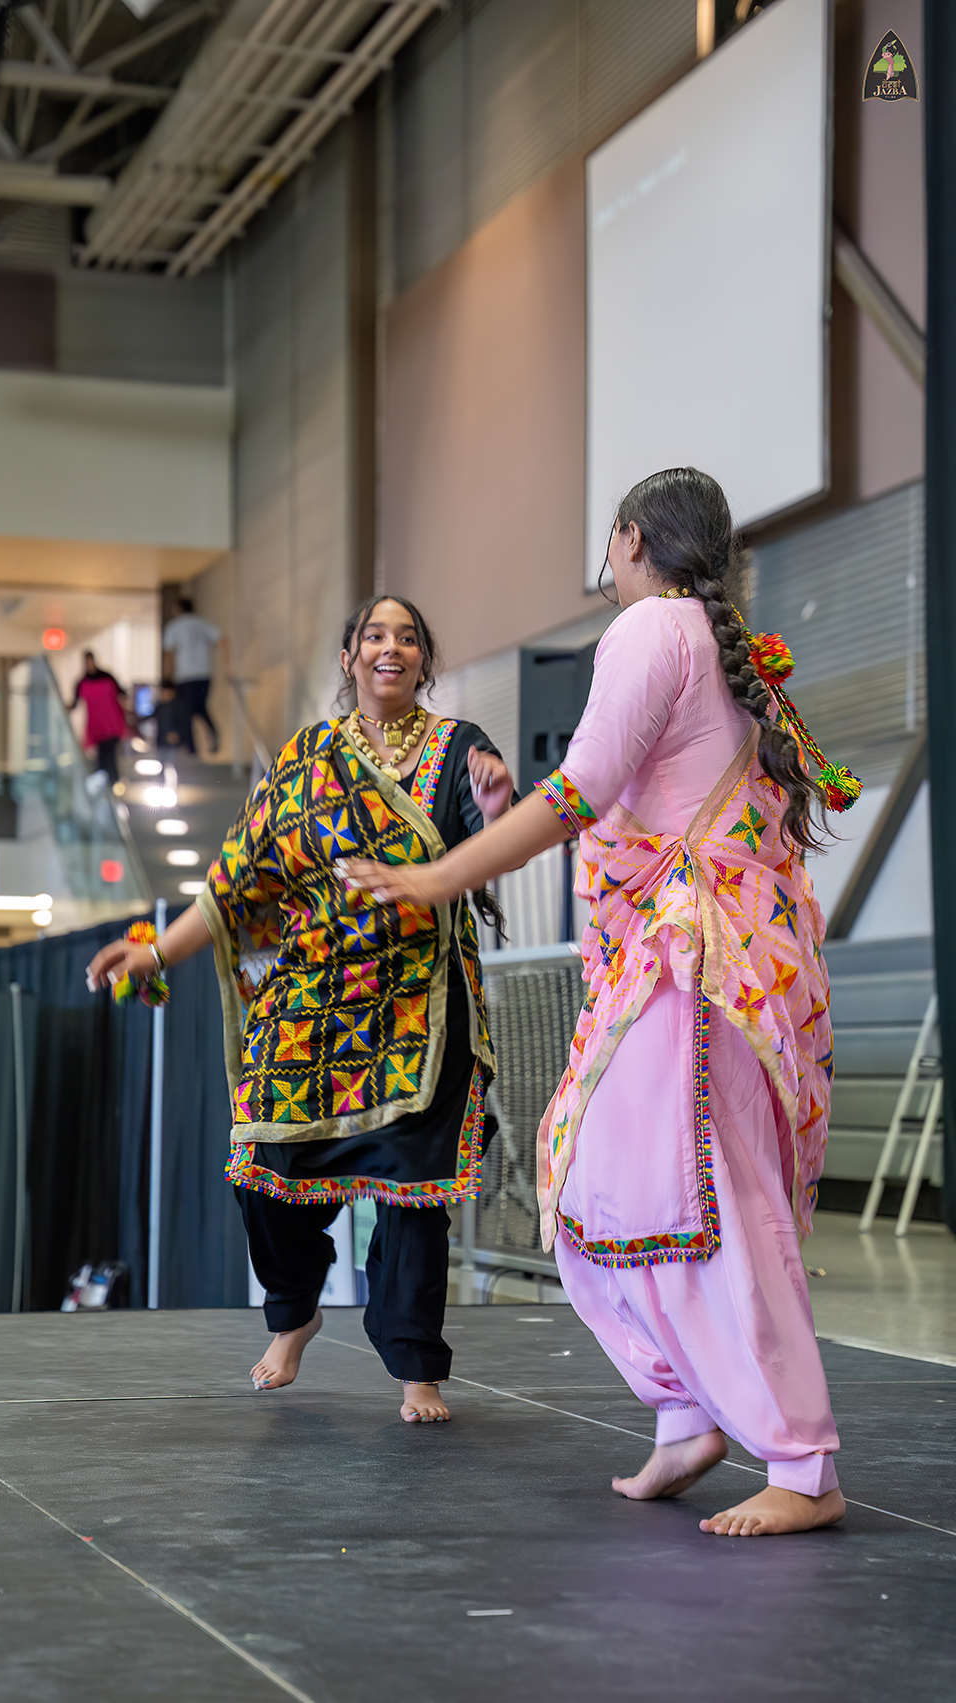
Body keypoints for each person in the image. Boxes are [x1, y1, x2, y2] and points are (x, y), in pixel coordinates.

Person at [344, 469, 847, 1537]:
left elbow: (581, 789)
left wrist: (439, 875)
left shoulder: (653, 625)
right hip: (693, 962)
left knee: (702, 1203)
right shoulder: (710, 641)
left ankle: (801, 1461)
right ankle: (684, 1410)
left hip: (692, 965)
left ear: (629, 540)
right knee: (614, 1188)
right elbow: (632, 793)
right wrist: (498, 816)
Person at [87, 595, 515, 1422]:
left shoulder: (460, 747)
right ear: (350, 657)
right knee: (261, 1161)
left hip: (420, 1009)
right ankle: (294, 1312)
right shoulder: (305, 760)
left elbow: (491, 836)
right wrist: (154, 951)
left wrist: (496, 806)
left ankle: (415, 1367)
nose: (392, 647)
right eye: (376, 635)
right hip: (315, 1001)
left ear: (423, 661)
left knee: (413, 1195)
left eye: (409, 638)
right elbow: (234, 880)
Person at [162, 597, 227, 755]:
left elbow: (169, 654)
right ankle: (211, 731)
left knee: (186, 713)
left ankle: (191, 750)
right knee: (199, 707)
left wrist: (167, 677)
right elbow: (222, 640)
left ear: (178, 610)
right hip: (204, 674)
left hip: (185, 677)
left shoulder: (174, 626)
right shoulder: (202, 624)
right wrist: (227, 666)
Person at [69, 652, 129, 786]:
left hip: (111, 724)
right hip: (97, 727)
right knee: (102, 758)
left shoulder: (107, 677)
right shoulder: (82, 682)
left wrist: (124, 713)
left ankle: (113, 784)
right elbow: (74, 703)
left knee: (111, 756)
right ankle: (106, 785)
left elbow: (122, 694)